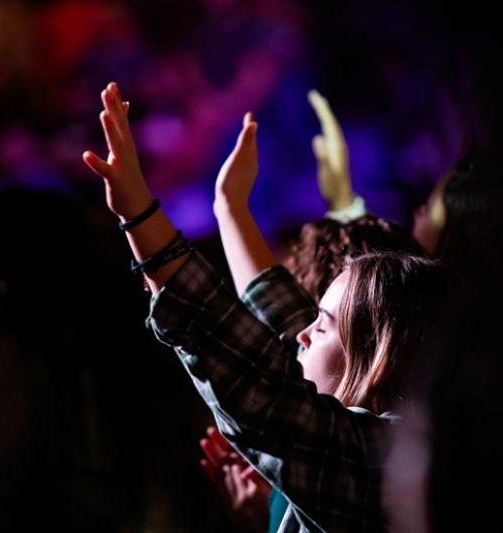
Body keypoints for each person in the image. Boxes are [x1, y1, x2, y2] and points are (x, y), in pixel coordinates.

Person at [83, 82, 449, 532]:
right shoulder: (371, 441)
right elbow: (279, 320)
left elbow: (261, 391)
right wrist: (230, 208)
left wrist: (139, 214)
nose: (300, 332)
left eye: (323, 324)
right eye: (311, 316)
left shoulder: (387, 461)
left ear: (378, 357)